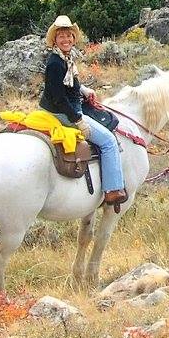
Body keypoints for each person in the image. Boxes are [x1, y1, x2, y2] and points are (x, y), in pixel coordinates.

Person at [40, 15, 127, 205]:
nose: (66, 39)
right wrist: (77, 119)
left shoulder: (64, 58)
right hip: (64, 113)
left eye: (69, 35)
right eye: (61, 36)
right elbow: (59, 98)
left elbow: (68, 84)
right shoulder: (55, 63)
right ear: (55, 39)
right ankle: (112, 190)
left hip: (69, 107)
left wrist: (84, 89)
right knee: (109, 141)